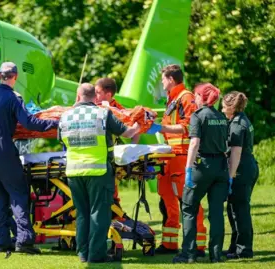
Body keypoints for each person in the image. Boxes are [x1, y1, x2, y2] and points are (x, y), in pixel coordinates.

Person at [0, 62, 58, 254]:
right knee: (18, 193)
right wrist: (54, 123)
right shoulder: (13, 97)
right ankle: (24, 241)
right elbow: (29, 122)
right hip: (4, 148)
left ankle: (1, 241)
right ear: (15, 77)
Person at [59, 83, 140, 263]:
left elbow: (61, 140)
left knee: (81, 214)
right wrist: (137, 126)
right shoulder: (102, 114)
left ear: (78, 96)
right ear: (95, 97)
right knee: (99, 214)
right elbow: (127, 133)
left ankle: (83, 253)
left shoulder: (65, 116)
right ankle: (96, 255)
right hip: (98, 171)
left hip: (73, 172)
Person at [147, 64, 207, 255]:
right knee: (167, 202)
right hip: (169, 156)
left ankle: (198, 245)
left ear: (171, 79)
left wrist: (160, 128)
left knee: (188, 202)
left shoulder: (185, 98)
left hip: (181, 156)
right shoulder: (172, 99)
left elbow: (189, 127)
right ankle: (169, 243)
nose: (161, 82)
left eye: (163, 79)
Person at [172, 83, 229, 263]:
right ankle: (216, 255)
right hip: (221, 167)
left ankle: (188, 254)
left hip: (203, 166)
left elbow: (194, 143)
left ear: (201, 97)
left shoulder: (198, 116)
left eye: (196, 95)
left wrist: (188, 169)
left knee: (188, 208)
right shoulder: (221, 116)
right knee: (217, 212)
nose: (194, 98)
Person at [221, 91, 259, 260]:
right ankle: (234, 247)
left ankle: (244, 250)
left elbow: (235, 153)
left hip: (240, 169)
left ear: (231, 107)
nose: (221, 110)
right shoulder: (242, 119)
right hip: (247, 166)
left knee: (240, 210)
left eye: (223, 107)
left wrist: (230, 176)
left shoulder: (237, 125)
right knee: (233, 209)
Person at [94, 77, 140, 210]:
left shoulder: (118, 110)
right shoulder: (91, 106)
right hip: (92, 154)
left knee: (110, 192)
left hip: (106, 158)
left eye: (97, 92)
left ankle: (114, 213)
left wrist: (132, 149)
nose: (94, 94)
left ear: (108, 95)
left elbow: (136, 129)